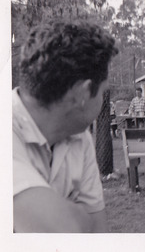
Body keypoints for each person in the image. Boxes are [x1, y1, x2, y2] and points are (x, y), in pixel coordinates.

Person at [13, 19, 118, 233]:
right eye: (103, 91)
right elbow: (63, 226)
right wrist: (75, 214)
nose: (103, 99)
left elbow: (97, 232)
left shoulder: (78, 135)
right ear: (82, 93)